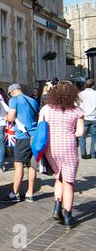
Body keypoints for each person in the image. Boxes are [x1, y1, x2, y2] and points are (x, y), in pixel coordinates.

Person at [42, 81, 85, 229]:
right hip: (68, 147)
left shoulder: (46, 109)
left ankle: (56, 207)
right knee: (69, 182)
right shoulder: (77, 111)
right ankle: (68, 215)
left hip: (50, 148)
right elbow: (80, 132)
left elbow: (41, 127)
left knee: (59, 177)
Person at [1, 84, 40, 203]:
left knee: (18, 165)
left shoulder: (14, 100)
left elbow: (11, 117)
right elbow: (37, 117)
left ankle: (15, 193)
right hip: (34, 136)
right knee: (31, 166)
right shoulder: (32, 100)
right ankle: (30, 193)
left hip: (22, 137)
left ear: (12, 92)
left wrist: (6, 117)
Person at [78, 79, 96, 159]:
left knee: (82, 136)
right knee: (94, 136)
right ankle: (93, 154)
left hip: (84, 117)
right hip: (94, 117)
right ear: (93, 86)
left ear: (85, 85)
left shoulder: (80, 94)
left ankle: (83, 153)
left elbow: (76, 105)